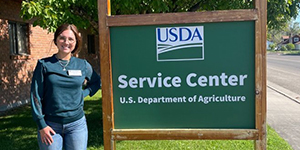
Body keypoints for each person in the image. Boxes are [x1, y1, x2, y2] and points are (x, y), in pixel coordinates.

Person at [30, 24, 101, 150]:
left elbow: (96, 82)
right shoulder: (44, 65)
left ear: (76, 42)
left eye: (71, 39)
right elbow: (36, 96)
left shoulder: (82, 65)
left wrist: (83, 94)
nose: (66, 42)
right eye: (62, 38)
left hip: (77, 125)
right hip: (50, 125)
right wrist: (41, 125)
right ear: (56, 40)